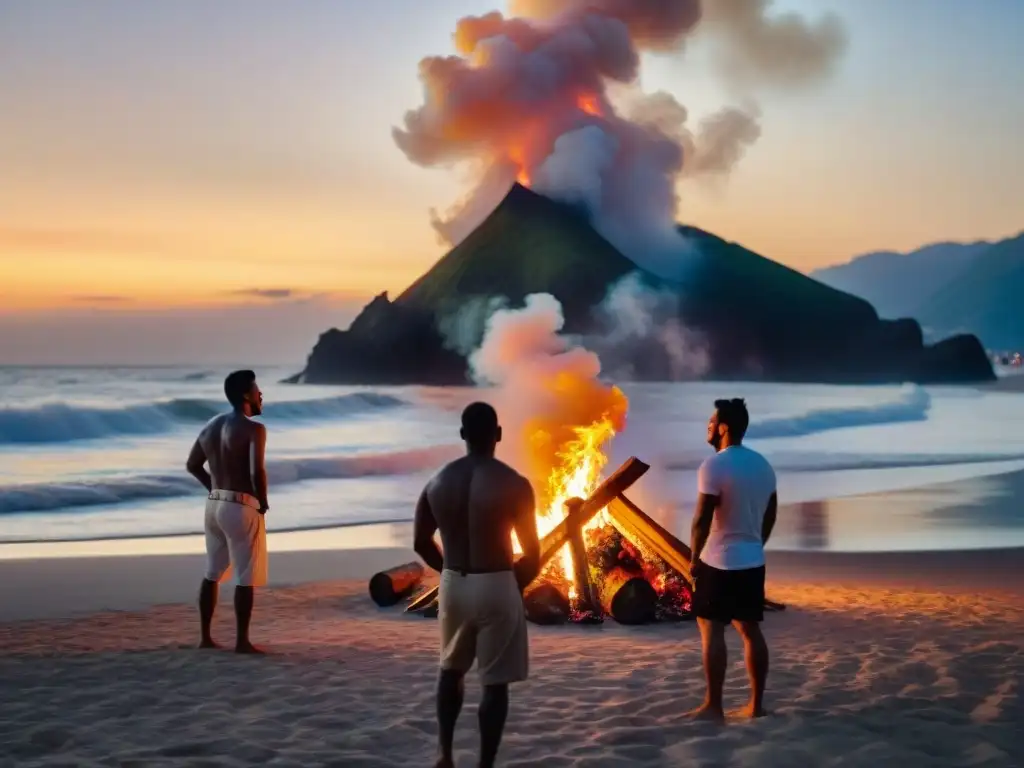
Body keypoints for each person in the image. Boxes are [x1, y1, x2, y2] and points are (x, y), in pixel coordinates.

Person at [413, 402, 540, 768]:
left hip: (454, 583)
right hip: (497, 582)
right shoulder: (514, 483)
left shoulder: (437, 482)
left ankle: (445, 755)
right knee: (494, 683)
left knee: (450, 669)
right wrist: (514, 586)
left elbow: (421, 542)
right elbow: (532, 552)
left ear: (462, 435)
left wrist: (449, 572)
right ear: (498, 435)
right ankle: (485, 763)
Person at [689, 398, 777, 722]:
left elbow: (701, 519)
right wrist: (757, 542)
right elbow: (771, 512)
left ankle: (714, 705)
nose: (708, 427)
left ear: (724, 428)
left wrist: (693, 558)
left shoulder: (715, 465)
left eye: (712, 422)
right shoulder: (763, 465)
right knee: (750, 628)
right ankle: (756, 705)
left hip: (720, 560)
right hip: (753, 559)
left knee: (711, 627)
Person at [185, 369, 270, 654]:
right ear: (246, 395)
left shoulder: (211, 425)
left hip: (215, 505)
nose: (261, 395)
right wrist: (263, 502)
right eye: (257, 390)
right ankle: (242, 641)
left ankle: (205, 637)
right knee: (245, 575)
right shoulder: (254, 429)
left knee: (212, 572)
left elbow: (192, 465)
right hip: (240, 505)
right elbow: (255, 470)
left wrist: (213, 488)